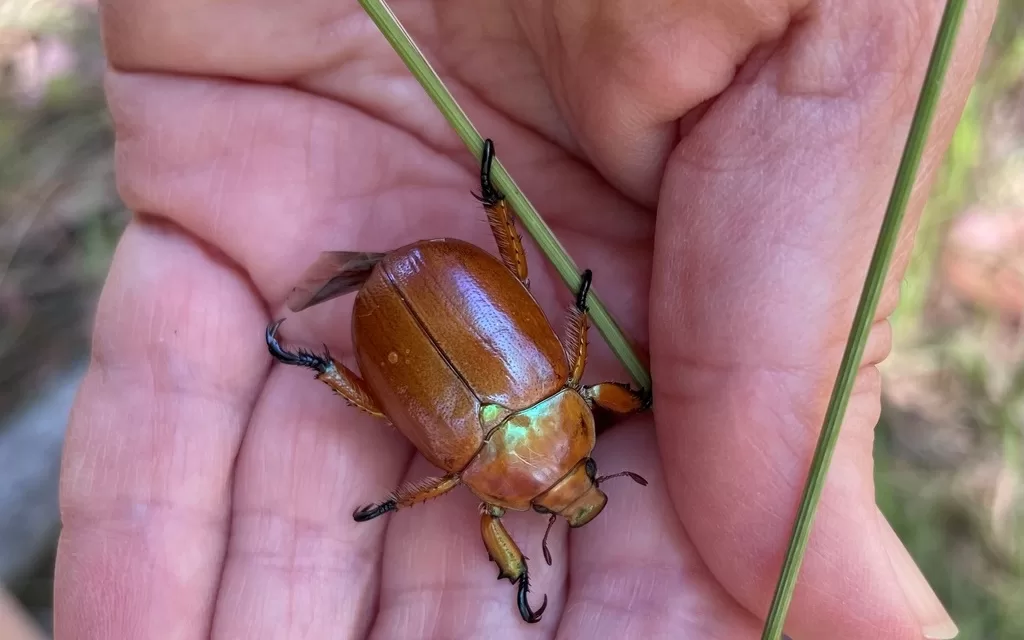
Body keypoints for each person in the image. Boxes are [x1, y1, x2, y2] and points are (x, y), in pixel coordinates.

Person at [53, 1, 997, 638]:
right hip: (426, 310)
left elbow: (577, 358)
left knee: (508, 340)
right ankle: (327, 356)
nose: (574, 496)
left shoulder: (559, 406)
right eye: (575, 485)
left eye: (566, 494)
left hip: (428, 310)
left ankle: (325, 358)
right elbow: (519, 438)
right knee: (441, 382)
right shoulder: (489, 482)